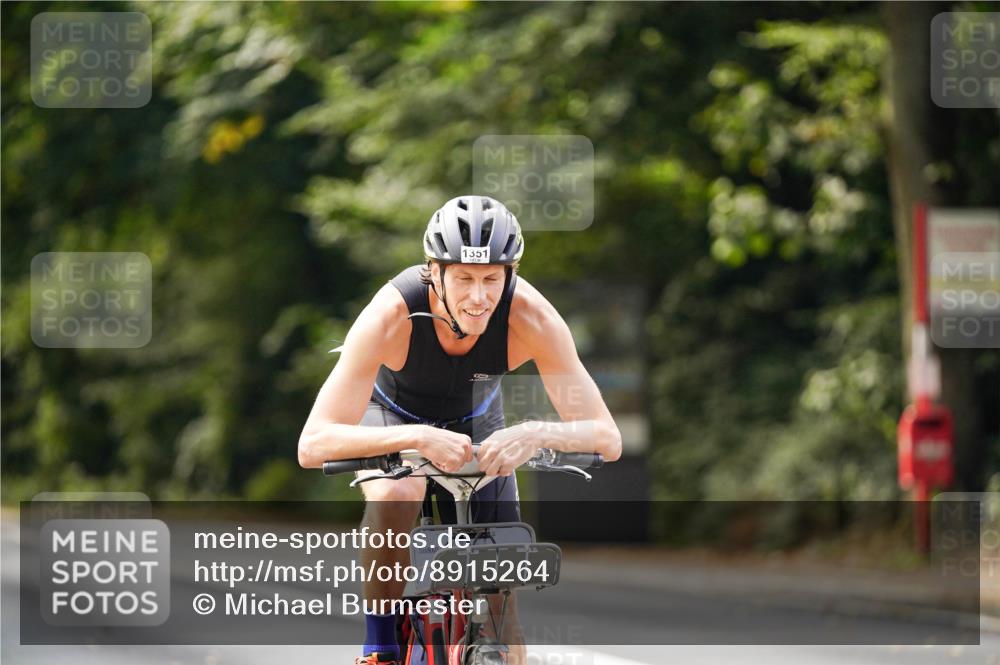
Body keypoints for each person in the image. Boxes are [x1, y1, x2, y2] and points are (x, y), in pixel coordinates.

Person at [298, 195, 622, 665]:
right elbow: (313, 442)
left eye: (492, 279)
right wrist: (414, 437)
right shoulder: (391, 314)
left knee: (501, 614)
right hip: (390, 418)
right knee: (397, 495)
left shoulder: (532, 317)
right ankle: (380, 645)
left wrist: (535, 432)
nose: (478, 296)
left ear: (510, 275)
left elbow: (606, 436)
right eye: (464, 279)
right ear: (435, 271)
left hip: (476, 424)